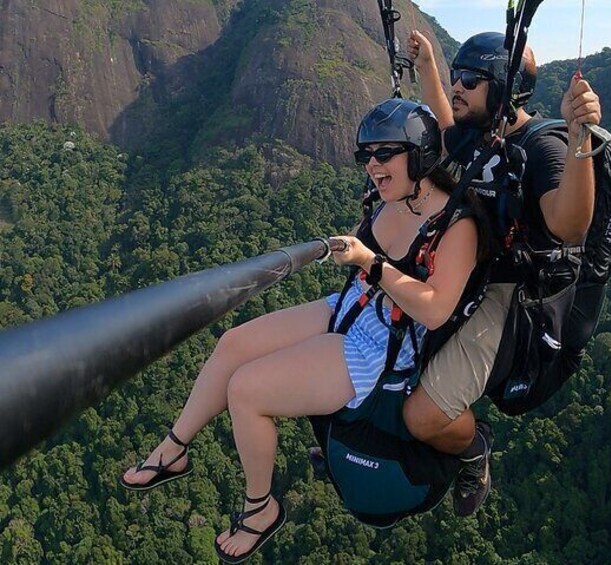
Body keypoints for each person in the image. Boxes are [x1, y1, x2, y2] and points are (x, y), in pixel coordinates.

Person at [119, 99, 486, 562]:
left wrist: (367, 261)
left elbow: (435, 311)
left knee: (247, 391)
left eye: (384, 153)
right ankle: (174, 450)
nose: (372, 165)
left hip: (381, 348)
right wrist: (357, 257)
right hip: (351, 308)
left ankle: (260, 510)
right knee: (233, 344)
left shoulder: (456, 225)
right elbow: (364, 269)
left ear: (420, 155)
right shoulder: (388, 198)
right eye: (364, 155)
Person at [403, 30, 603, 516]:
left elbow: (569, 223)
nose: (457, 86)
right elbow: (447, 127)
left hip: (510, 292)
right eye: (456, 76)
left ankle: (474, 451)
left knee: (424, 416)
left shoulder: (544, 146)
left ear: (503, 90)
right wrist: (430, 64)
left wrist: (580, 142)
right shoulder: (480, 131)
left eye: (470, 79)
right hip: (464, 267)